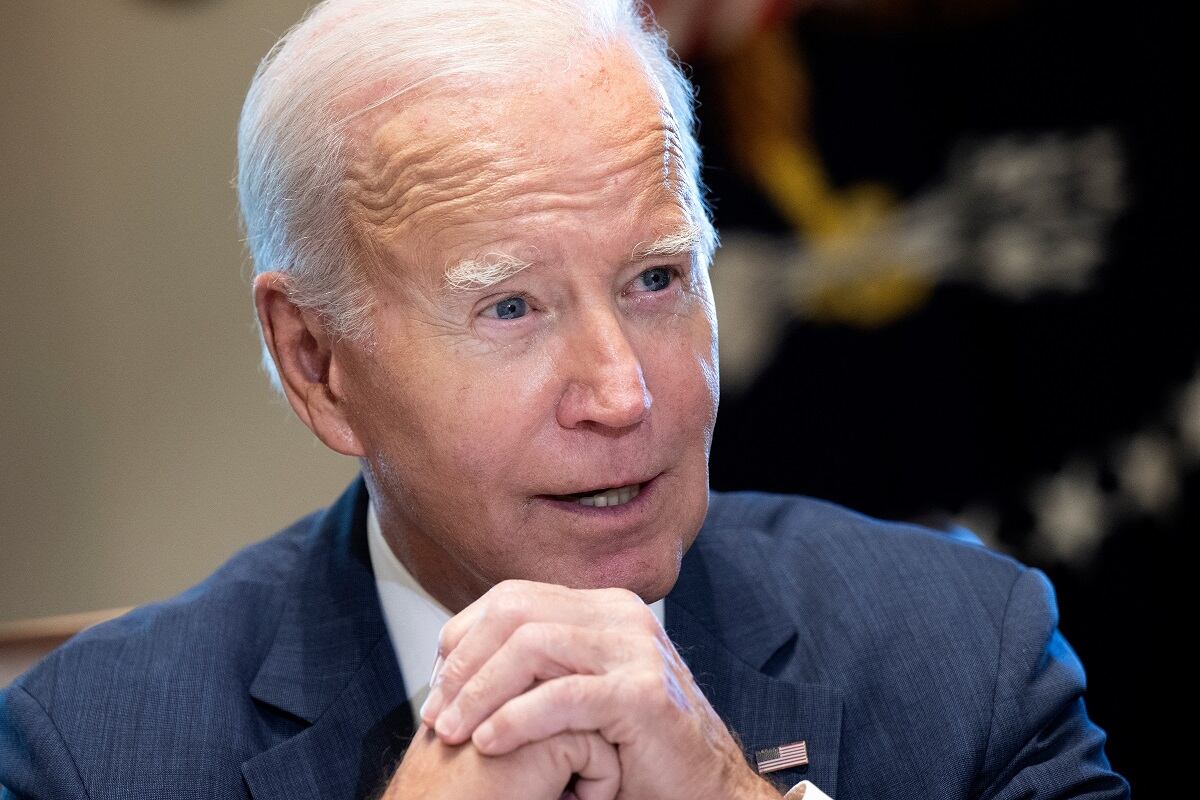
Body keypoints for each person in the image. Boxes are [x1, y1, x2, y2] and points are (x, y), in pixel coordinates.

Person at [0, 1, 1130, 798]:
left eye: (655, 280)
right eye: (510, 309)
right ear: (315, 361)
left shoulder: (963, 646)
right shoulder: (94, 750)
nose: (622, 391)